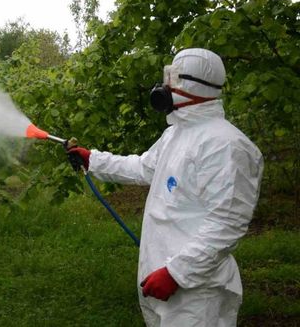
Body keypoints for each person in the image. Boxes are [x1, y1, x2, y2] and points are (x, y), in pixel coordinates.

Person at [68, 48, 264, 327]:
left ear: (192, 84)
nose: (165, 86)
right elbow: (143, 167)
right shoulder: (176, 133)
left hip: (196, 291)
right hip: (161, 274)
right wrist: (94, 160)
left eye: (173, 79)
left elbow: (227, 223)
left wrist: (176, 274)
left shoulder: (226, 145)